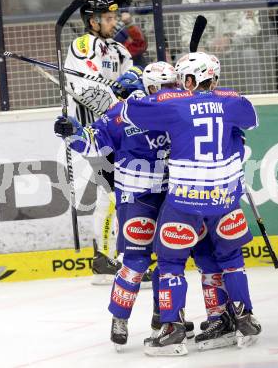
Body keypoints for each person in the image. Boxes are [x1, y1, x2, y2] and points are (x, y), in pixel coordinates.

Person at [121, 52, 261, 356]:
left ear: (187, 80)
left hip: (185, 201)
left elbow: (132, 112)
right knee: (230, 259)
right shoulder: (231, 102)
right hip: (223, 199)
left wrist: (130, 92)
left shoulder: (173, 104)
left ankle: (172, 330)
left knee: (171, 263)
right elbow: (251, 117)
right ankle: (242, 317)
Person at [54, 61, 192, 349]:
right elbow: (92, 142)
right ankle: (127, 319)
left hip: (168, 195)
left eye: (171, 86)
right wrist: (72, 132)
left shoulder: (174, 110)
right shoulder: (124, 114)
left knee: (164, 262)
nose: (167, 92)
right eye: (162, 87)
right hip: (138, 198)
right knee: (138, 261)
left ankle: (162, 318)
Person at [64, 0, 133, 284]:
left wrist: (132, 87)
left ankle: (105, 257)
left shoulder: (117, 49)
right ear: (92, 21)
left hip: (113, 131)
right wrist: (115, 98)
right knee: (114, 193)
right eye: (107, 18)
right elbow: (81, 84)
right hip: (89, 132)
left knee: (114, 194)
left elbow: (133, 80)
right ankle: (105, 259)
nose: (113, 21)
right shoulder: (84, 45)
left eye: (113, 17)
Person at [180, 0, 262, 94]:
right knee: (182, 58)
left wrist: (230, 39)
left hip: (235, 50)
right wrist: (198, 51)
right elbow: (186, 34)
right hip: (204, 56)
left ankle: (255, 100)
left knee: (250, 54)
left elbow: (252, 26)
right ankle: (191, 102)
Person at [95, 0, 148, 66]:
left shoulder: (125, 14)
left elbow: (140, 45)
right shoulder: (98, 20)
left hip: (133, 66)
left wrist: (130, 24)